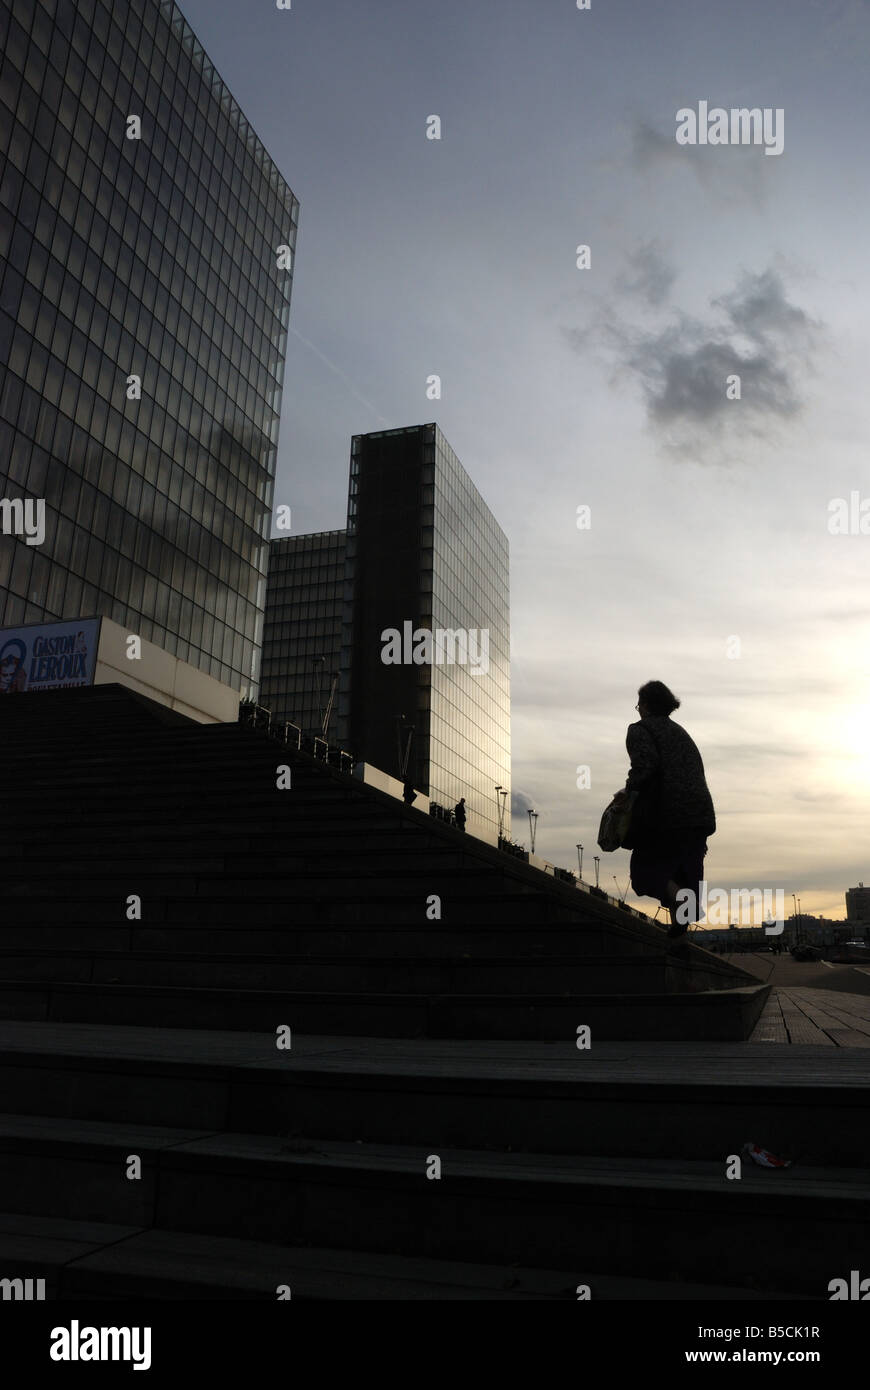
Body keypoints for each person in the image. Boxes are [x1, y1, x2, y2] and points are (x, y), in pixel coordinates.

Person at [611, 680, 715, 939]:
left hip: (666, 816)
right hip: (698, 816)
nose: (638, 709)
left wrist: (626, 791)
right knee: (682, 872)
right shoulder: (680, 732)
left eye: (639, 704)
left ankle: (681, 901)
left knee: (645, 873)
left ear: (645, 705)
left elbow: (645, 767)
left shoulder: (640, 729)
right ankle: (679, 939)